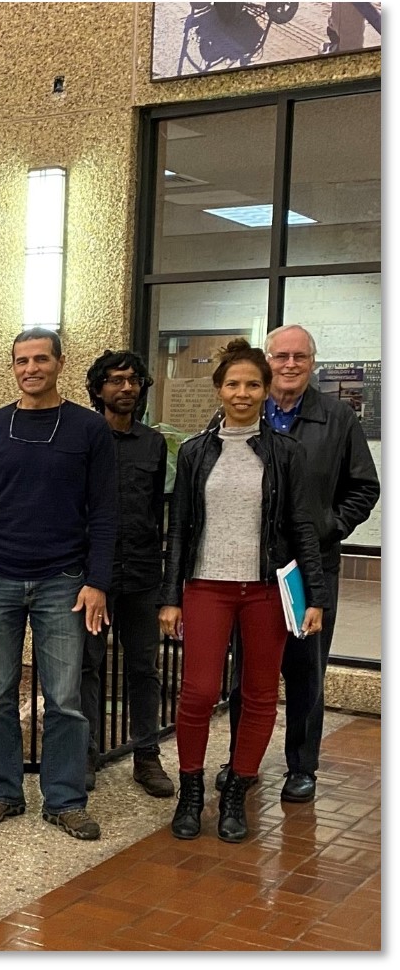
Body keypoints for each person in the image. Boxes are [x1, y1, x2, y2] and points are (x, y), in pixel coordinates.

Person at [0, 328, 117, 841]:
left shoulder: (89, 429)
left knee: (65, 698)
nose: (31, 369)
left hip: (64, 583)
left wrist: (98, 581)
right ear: (13, 367)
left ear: (60, 363)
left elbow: (106, 512)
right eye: (22, 361)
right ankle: (1, 790)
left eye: (40, 359)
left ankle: (65, 799)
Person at [160, 338, 326, 843]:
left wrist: (314, 594)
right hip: (207, 587)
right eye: (233, 383)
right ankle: (191, 791)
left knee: (258, 695)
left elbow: (302, 526)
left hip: (266, 591)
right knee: (200, 692)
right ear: (218, 389)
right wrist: (170, 597)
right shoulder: (194, 452)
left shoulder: (285, 453)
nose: (243, 392)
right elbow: (180, 530)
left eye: (253, 383)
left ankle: (237, 791)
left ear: (267, 388)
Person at [211, 324, 379, 804]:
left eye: (298, 357)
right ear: (268, 360)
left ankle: (302, 767)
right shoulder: (242, 412)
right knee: (248, 672)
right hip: (252, 568)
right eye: (280, 356)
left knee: (305, 670)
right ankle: (242, 762)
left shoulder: (337, 418)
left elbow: (364, 488)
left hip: (310, 569)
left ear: (312, 362)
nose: (289, 365)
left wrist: (325, 527)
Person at [79, 350, 173, 798]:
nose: (126, 388)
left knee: (143, 667)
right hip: (92, 573)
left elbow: (156, 507)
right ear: (99, 390)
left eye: (133, 380)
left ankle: (147, 756)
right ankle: (86, 754)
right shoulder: (84, 438)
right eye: (115, 380)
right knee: (88, 665)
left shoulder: (153, 443)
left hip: (141, 572)